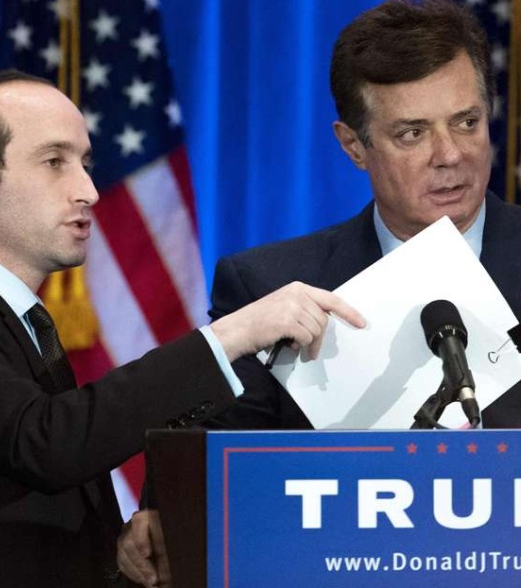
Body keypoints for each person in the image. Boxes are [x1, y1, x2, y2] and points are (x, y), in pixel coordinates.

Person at [118, 0, 521, 585]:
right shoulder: (271, 284)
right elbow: (208, 457)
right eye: (412, 133)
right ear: (353, 145)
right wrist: (166, 518)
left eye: (467, 122)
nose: (451, 155)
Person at [0, 69, 365, 587]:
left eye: (85, 164)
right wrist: (233, 335)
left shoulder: (26, 322)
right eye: (54, 162)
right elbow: (46, 444)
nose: (89, 191)